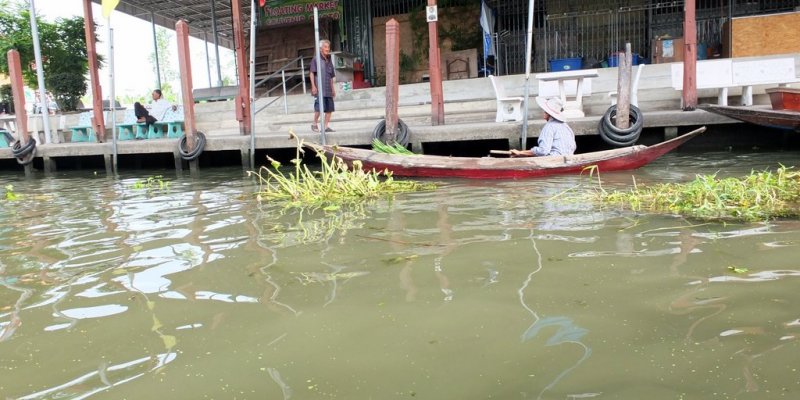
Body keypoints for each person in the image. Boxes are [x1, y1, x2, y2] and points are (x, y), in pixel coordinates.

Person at [510, 97, 576, 157]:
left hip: (554, 160)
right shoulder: (566, 126)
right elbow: (573, 147)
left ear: (548, 113)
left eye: (545, 111)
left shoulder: (549, 126)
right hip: (568, 159)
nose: (543, 113)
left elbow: (543, 151)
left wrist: (520, 152)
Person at [309, 39, 336, 133]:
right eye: (325, 47)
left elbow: (331, 76)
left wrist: (333, 89)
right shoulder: (316, 59)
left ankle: (325, 126)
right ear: (320, 49)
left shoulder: (329, 59)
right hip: (320, 88)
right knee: (319, 108)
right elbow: (312, 73)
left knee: (330, 109)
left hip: (328, 88)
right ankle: (314, 124)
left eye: (328, 47)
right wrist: (313, 86)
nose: (327, 49)